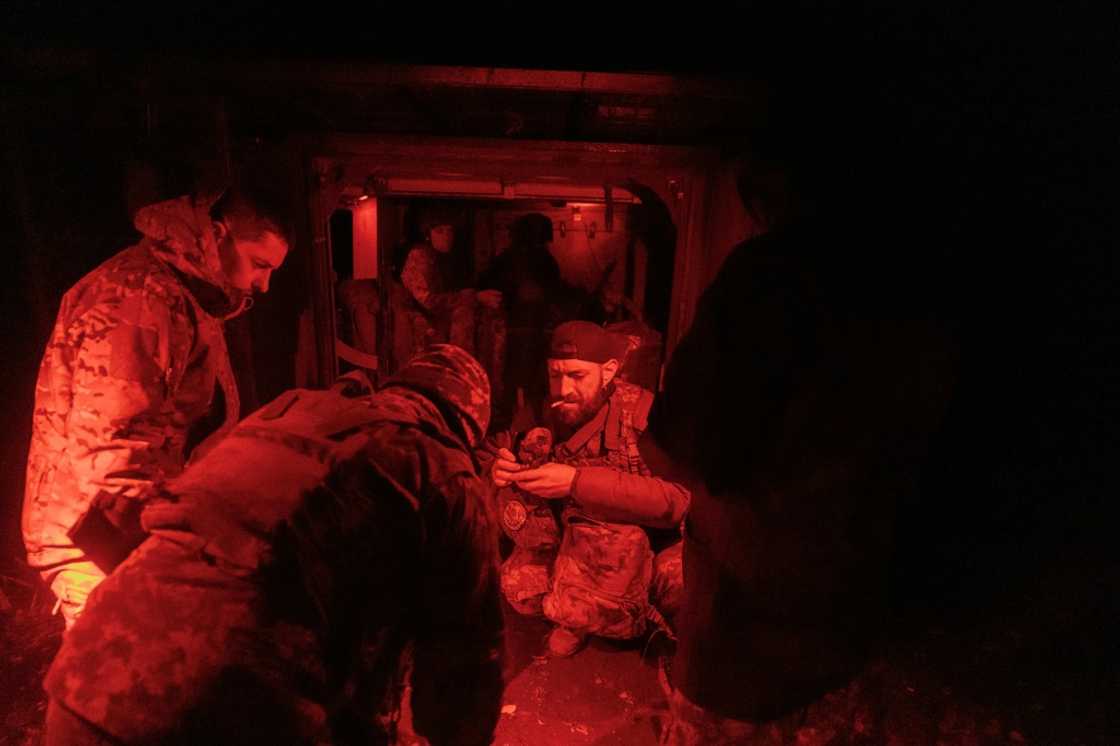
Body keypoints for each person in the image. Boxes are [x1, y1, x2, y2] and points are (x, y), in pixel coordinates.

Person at [640, 146, 957, 743]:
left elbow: (674, 449)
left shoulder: (765, 279)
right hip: (853, 616)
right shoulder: (918, 287)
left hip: (747, 625)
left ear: (769, 197)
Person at [43, 345, 505, 746]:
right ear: (467, 426)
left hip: (88, 680)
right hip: (227, 715)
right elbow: (464, 671)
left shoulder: (290, 412)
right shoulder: (446, 475)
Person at [23, 165, 292, 628]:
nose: (263, 285)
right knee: (121, 689)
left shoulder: (187, 296)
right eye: (260, 264)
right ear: (218, 234)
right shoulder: (138, 298)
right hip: (97, 543)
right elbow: (111, 453)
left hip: (126, 534)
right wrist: (172, 552)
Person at [483, 320, 689, 657]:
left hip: (634, 541)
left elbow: (679, 500)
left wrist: (577, 483)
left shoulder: (643, 414)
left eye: (577, 376)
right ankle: (583, 609)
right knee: (521, 585)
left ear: (608, 372)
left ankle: (624, 609)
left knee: (679, 583)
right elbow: (500, 449)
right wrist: (500, 468)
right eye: (555, 375)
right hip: (573, 536)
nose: (563, 389)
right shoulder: (542, 410)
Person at [477, 212, 566, 428]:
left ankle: (509, 425)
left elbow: (486, 285)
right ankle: (526, 423)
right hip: (530, 331)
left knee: (510, 384)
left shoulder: (507, 259)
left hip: (514, 331)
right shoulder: (545, 261)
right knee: (532, 386)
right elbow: (554, 294)